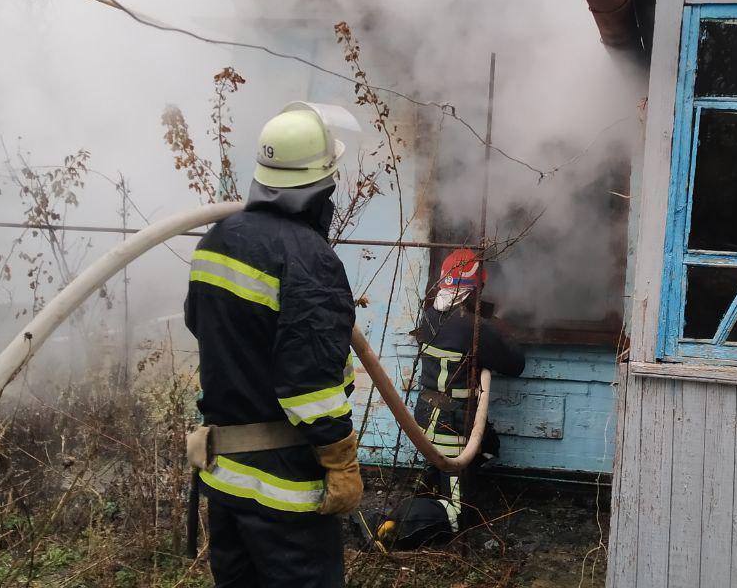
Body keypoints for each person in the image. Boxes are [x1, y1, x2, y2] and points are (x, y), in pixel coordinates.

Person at [184, 102, 361, 588]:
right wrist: (340, 456)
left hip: (224, 479)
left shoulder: (216, 240)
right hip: (286, 493)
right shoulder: (310, 259)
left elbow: (200, 324)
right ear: (321, 188)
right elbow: (311, 385)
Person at [378, 249, 525, 548]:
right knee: (458, 515)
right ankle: (397, 525)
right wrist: (498, 329)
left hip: (429, 415)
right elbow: (515, 364)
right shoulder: (476, 328)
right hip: (451, 424)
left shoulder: (431, 314)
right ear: (474, 289)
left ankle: (429, 485)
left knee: (488, 445)